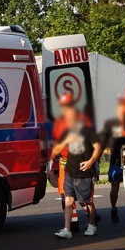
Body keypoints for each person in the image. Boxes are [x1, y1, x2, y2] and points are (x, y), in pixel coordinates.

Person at [52, 96, 101, 239]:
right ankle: (67, 229)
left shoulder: (88, 130)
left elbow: (97, 148)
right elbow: (57, 148)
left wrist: (91, 162)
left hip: (85, 171)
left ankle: (92, 225)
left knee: (87, 201)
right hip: (70, 171)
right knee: (68, 200)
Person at [100, 98, 125, 229]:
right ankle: (113, 208)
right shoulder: (111, 123)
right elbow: (104, 141)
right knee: (114, 188)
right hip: (115, 160)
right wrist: (97, 159)